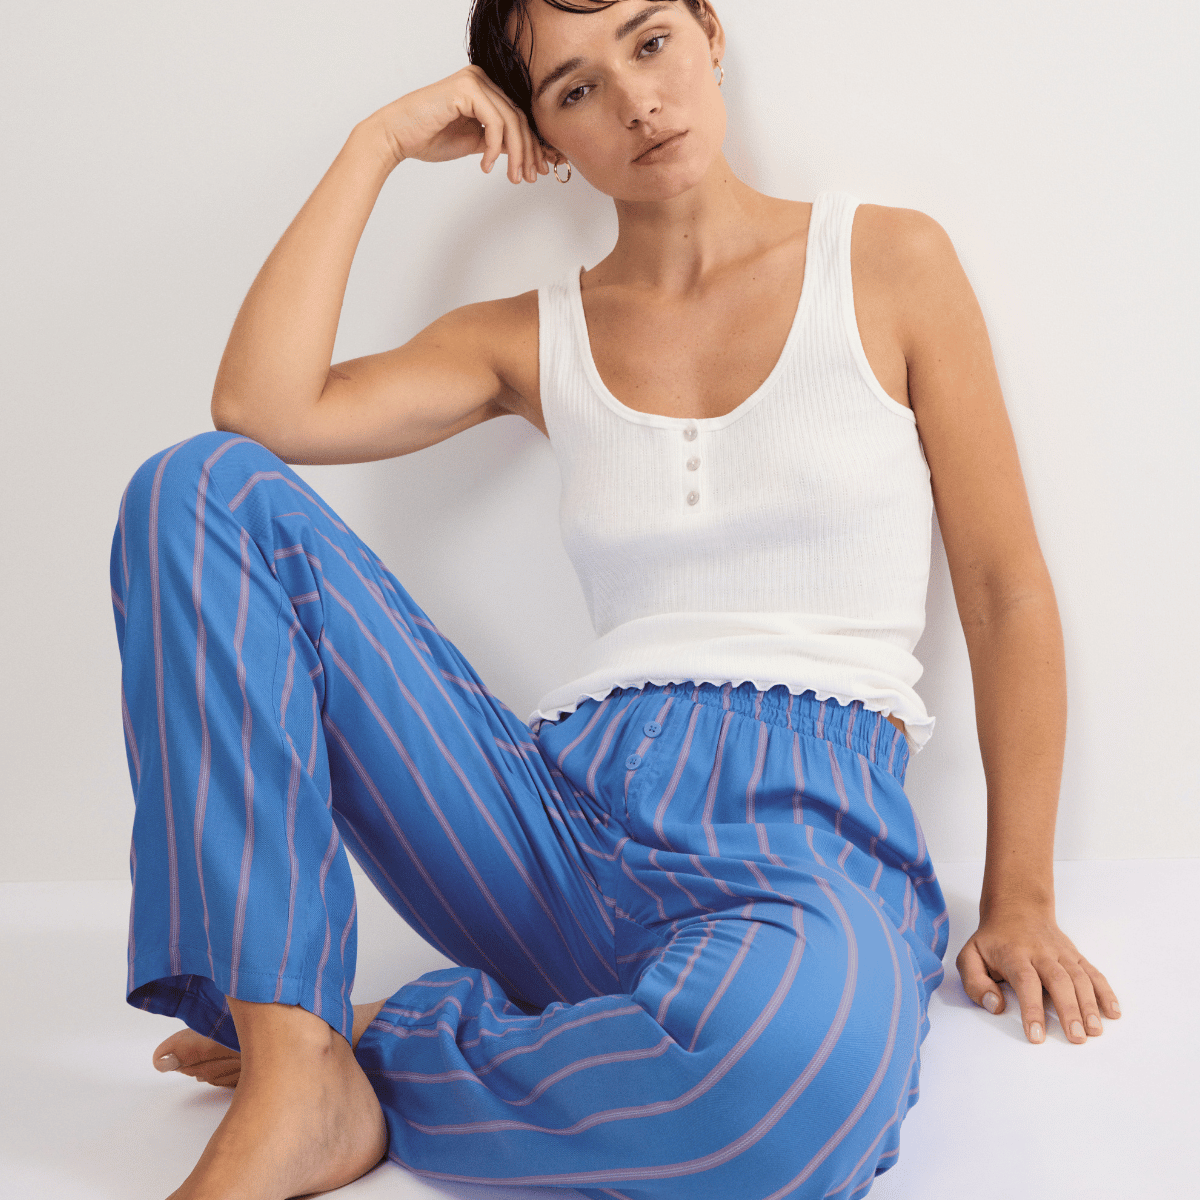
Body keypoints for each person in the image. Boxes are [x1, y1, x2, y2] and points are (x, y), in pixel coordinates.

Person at [109, 2, 1121, 1197]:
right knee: (199, 489)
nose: (637, 101)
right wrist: (376, 144)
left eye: (650, 42)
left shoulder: (890, 262)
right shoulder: (530, 338)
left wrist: (1020, 897)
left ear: (709, 33)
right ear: (541, 138)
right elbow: (262, 409)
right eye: (576, 89)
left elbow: (1005, 592)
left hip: (803, 845)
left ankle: (379, 1052)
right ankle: (295, 1063)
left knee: (782, 1091)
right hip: (556, 824)